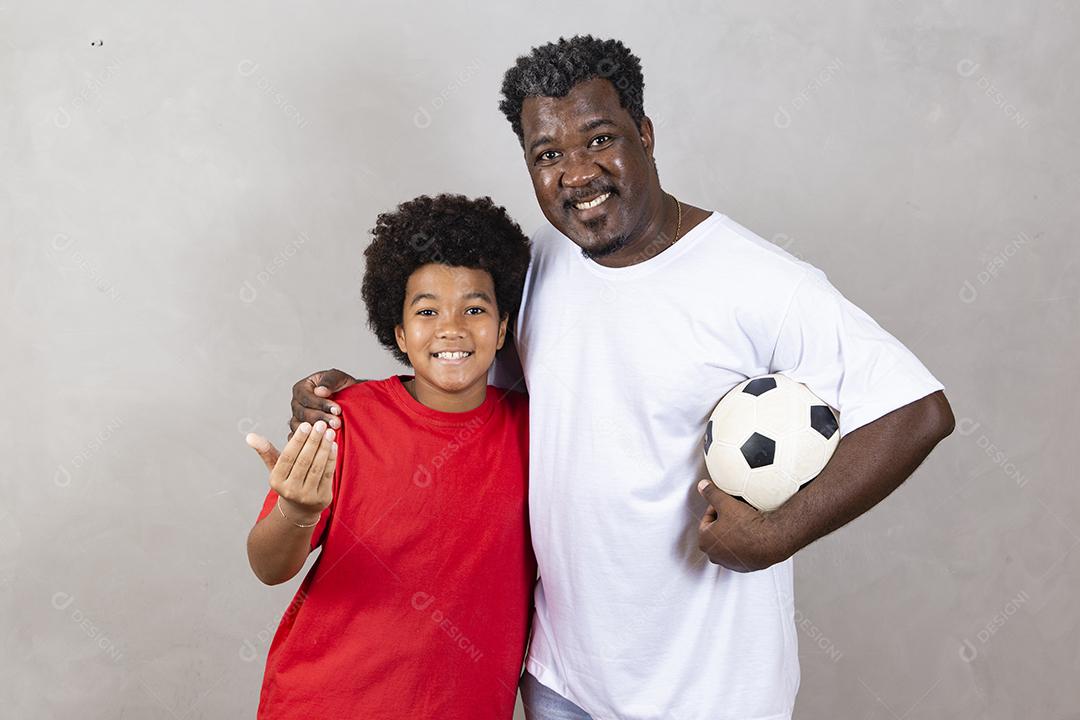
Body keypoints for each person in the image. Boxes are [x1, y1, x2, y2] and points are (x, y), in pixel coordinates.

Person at [275, 37, 956, 720]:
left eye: (598, 139)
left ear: (646, 135)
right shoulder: (539, 265)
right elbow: (462, 371)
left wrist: (782, 532)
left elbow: (917, 409)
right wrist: (354, 400)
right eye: (548, 155)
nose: (576, 173)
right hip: (563, 682)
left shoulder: (759, 281)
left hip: (711, 692)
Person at [244, 194, 535, 719]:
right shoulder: (345, 420)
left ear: (503, 328)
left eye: (475, 308)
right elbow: (268, 566)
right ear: (399, 332)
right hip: (323, 704)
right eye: (427, 311)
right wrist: (297, 512)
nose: (452, 327)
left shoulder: (536, 434)